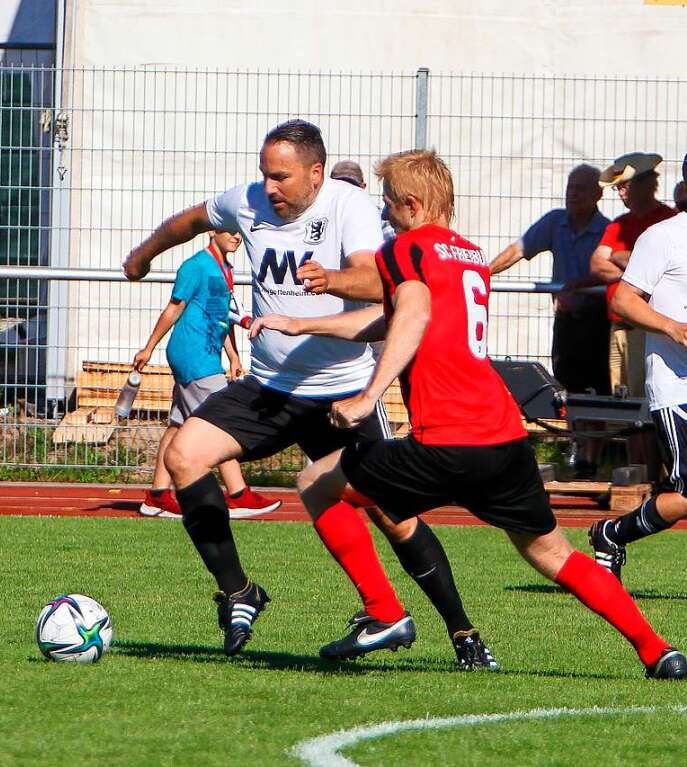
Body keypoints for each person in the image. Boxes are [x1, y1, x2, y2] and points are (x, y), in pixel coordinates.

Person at [253, 148, 684, 679]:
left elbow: (410, 311)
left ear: (411, 204)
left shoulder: (407, 248)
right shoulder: (468, 254)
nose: (384, 214)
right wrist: (303, 326)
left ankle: (384, 613)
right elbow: (399, 318)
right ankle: (656, 649)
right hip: (503, 437)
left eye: (388, 204)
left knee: (316, 481)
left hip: (447, 438)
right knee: (555, 555)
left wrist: (369, 395)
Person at [123, 120, 494, 670]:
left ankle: (463, 633)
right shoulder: (248, 202)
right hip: (270, 388)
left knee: (394, 516)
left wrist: (334, 280)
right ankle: (239, 592)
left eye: (282, 177)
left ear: (316, 173)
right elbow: (190, 220)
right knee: (183, 456)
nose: (270, 187)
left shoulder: (351, 208)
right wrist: (144, 254)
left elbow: (376, 281)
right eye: (265, 174)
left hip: (341, 394)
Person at [134, 230, 282, 519]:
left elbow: (222, 315)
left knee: (178, 425)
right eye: (231, 231)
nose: (237, 237)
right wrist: (148, 348)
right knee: (221, 424)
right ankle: (238, 495)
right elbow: (174, 308)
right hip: (193, 355)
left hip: (205, 353)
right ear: (213, 231)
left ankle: (157, 496)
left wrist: (234, 356)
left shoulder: (223, 268)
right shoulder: (196, 266)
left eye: (241, 232)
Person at [589, 157, 687, 583]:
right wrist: (673, 327)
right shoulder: (663, 236)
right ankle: (612, 531)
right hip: (676, 384)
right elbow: (623, 300)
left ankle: (613, 532)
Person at [490, 164, 610, 478]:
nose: (573, 194)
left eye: (581, 188)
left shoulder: (606, 231)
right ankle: (577, 447)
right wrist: (483, 273)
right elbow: (519, 249)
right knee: (567, 382)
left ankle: (590, 458)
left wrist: (582, 287)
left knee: (596, 388)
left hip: (597, 320)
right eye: (570, 187)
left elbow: (611, 275)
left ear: (598, 194)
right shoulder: (555, 222)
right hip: (566, 321)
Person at [590, 153, 676, 479]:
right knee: (625, 402)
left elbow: (609, 261)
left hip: (648, 327)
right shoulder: (618, 225)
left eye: (624, 186)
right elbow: (596, 264)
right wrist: (637, 263)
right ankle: (639, 473)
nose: (621, 193)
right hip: (618, 328)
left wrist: (622, 258)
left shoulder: (666, 221)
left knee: (648, 402)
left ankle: (657, 475)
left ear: (645, 183)